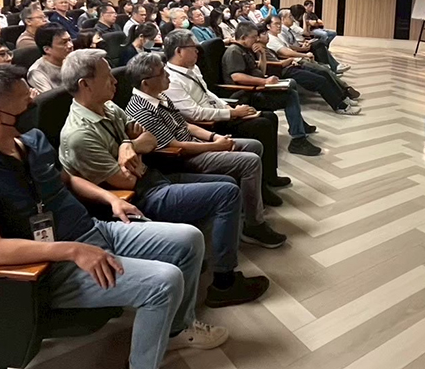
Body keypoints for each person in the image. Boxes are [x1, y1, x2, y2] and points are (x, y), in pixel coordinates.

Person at [0, 66, 228, 369]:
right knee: (163, 282)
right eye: (25, 100)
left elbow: (67, 180)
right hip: (51, 267)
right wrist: (72, 250)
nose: (34, 101)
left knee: (188, 239)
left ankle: (178, 328)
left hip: (92, 230)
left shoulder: (30, 141)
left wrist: (110, 200)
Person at [57, 50, 272, 307]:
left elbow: (149, 139)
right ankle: (224, 283)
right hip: (137, 198)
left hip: (153, 177)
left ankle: (206, 258)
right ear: (85, 85)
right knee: (226, 193)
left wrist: (128, 145)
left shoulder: (109, 107)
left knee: (227, 184)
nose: (115, 82)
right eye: (107, 77)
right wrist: (133, 147)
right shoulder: (79, 134)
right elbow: (126, 182)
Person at [125, 52, 287, 248]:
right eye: (162, 73)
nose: (167, 75)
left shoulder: (160, 96)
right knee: (250, 161)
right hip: (182, 159)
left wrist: (214, 137)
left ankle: (250, 206)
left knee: (254, 145)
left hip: (196, 144)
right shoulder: (141, 110)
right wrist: (214, 147)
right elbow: (173, 146)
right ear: (146, 83)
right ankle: (254, 225)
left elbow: (185, 125)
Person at [163, 30, 293, 203]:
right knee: (261, 125)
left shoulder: (192, 68)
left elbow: (208, 93)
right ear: (179, 51)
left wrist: (229, 107)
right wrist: (231, 113)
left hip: (219, 113)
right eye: (193, 48)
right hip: (207, 123)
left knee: (270, 117)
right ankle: (260, 188)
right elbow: (193, 113)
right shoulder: (171, 79)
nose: (197, 51)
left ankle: (270, 175)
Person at [223, 22, 321, 156]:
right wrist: (265, 81)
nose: (256, 39)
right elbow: (237, 77)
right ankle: (298, 139)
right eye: (253, 37)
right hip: (246, 94)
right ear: (244, 37)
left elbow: (260, 72)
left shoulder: (246, 50)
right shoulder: (234, 51)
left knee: (291, 84)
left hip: (256, 88)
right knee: (290, 96)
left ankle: (299, 126)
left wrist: (262, 55)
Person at [256, 24, 358, 116]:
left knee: (323, 72)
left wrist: (289, 61)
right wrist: (289, 60)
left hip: (291, 66)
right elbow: (270, 65)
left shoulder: (266, 48)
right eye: (264, 34)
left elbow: (278, 58)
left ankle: (343, 98)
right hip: (285, 72)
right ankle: (340, 106)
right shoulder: (259, 50)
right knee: (320, 81)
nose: (267, 36)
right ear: (257, 38)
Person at [266, 15, 359, 100]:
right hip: (294, 61)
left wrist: (303, 47)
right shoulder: (271, 39)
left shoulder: (278, 36)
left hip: (296, 58)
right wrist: (304, 54)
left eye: (279, 24)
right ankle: (344, 92)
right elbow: (285, 52)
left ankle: (344, 91)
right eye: (276, 24)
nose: (279, 26)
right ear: (268, 26)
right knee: (324, 70)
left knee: (324, 67)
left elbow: (289, 46)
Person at [276, 9, 351, 75]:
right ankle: (332, 68)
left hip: (299, 47)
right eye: (290, 16)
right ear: (282, 19)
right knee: (319, 43)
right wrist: (302, 49)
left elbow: (292, 42)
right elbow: (288, 46)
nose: (292, 19)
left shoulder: (288, 29)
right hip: (295, 52)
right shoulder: (281, 31)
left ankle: (333, 67)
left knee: (319, 43)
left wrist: (303, 44)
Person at [27, 24, 71, 94]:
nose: (70, 45)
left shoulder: (75, 60)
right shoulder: (37, 72)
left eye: (70, 40)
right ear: (47, 49)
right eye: (64, 43)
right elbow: (51, 98)